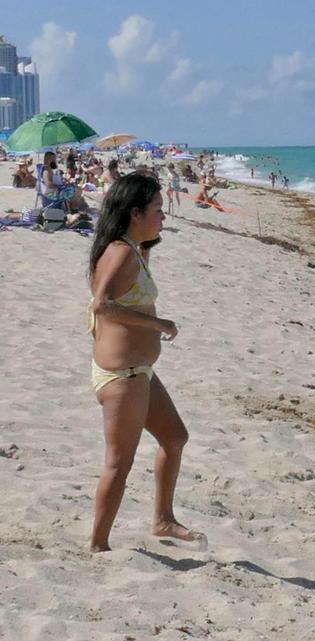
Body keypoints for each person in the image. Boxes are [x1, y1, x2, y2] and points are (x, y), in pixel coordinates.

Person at [86, 173, 201, 552]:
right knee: (119, 463)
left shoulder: (132, 248)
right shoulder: (119, 251)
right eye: (156, 210)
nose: (163, 216)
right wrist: (157, 324)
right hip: (123, 375)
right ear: (135, 214)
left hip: (139, 372)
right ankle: (98, 545)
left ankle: (163, 520)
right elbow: (101, 306)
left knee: (175, 437)